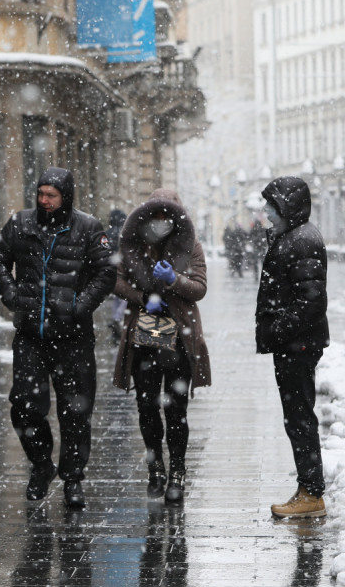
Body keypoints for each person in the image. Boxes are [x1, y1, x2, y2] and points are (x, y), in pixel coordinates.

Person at [0, 167, 116, 509]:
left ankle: (73, 478)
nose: (44, 201)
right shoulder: (19, 223)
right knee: (26, 406)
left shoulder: (88, 228)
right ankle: (42, 465)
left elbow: (106, 272)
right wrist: (13, 297)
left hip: (73, 338)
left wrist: (81, 304)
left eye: (51, 195)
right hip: (31, 336)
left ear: (66, 197)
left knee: (75, 412)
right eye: (41, 194)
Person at [112, 189, 210, 505]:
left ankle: (178, 473)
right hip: (143, 338)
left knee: (176, 410)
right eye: (154, 215)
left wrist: (173, 281)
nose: (160, 222)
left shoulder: (191, 246)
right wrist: (143, 298)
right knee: (146, 405)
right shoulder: (133, 245)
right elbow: (116, 280)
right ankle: (156, 468)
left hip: (179, 338)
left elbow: (199, 288)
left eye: (166, 215)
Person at [255, 176, 329, 518]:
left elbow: (310, 300)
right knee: (296, 417)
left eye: (272, 204)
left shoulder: (302, 241)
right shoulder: (292, 236)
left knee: (300, 418)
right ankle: (307, 489)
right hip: (293, 343)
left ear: (288, 206)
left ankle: (311, 494)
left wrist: (279, 330)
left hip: (297, 345)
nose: (266, 210)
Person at [105, 209, 128, 345]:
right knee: (123, 297)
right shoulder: (124, 234)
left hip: (110, 272)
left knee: (116, 297)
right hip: (122, 271)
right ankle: (118, 318)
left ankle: (115, 318)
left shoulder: (107, 234)